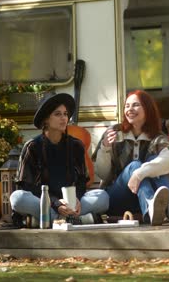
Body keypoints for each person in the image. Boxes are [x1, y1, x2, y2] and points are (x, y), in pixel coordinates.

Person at [94, 89, 169, 226]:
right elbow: (102, 173)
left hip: (139, 200)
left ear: (147, 109)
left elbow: (168, 160)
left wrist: (140, 174)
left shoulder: (157, 136)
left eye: (136, 105)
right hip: (116, 200)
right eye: (127, 106)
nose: (130, 109)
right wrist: (105, 147)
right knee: (135, 165)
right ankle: (153, 205)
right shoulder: (114, 132)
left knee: (156, 161)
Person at [10, 92, 109, 226]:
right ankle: (77, 220)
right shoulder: (32, 147)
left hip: (71, 204)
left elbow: (81, 182)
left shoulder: (76, 145)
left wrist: (77, 200)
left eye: (65, 114)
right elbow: (28, 187)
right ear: (46, 119)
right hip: (45, 203)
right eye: (57, 114)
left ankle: (46, 220)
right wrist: (56, 204)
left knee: (102, 197)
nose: (64, 118)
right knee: (17, 198)